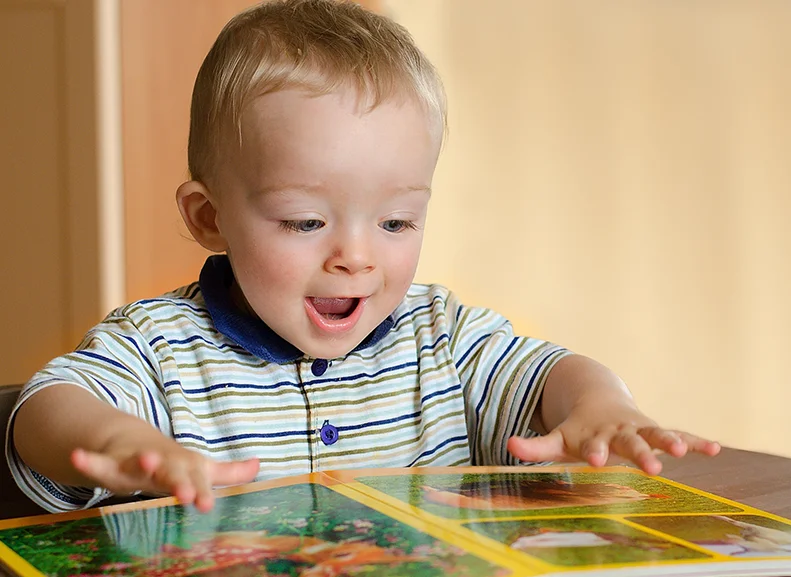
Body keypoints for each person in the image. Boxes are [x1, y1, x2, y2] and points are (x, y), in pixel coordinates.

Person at [5, 0, 719, 514]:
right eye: (306, 219)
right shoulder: (161, 349)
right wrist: (123, 441)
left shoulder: (438, 336)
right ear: (208, 217)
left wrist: (600, 404)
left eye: (397, 220)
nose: (356, 256)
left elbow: (548, 372)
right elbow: (43, 409)